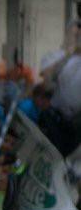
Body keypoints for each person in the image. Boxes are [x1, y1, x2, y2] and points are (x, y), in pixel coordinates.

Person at [38, 19, 81, 157]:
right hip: (56, 119)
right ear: (67, 35)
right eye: (75, 35)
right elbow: (47, 83)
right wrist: (69, 53)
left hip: (77, 122)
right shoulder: (54, 56)